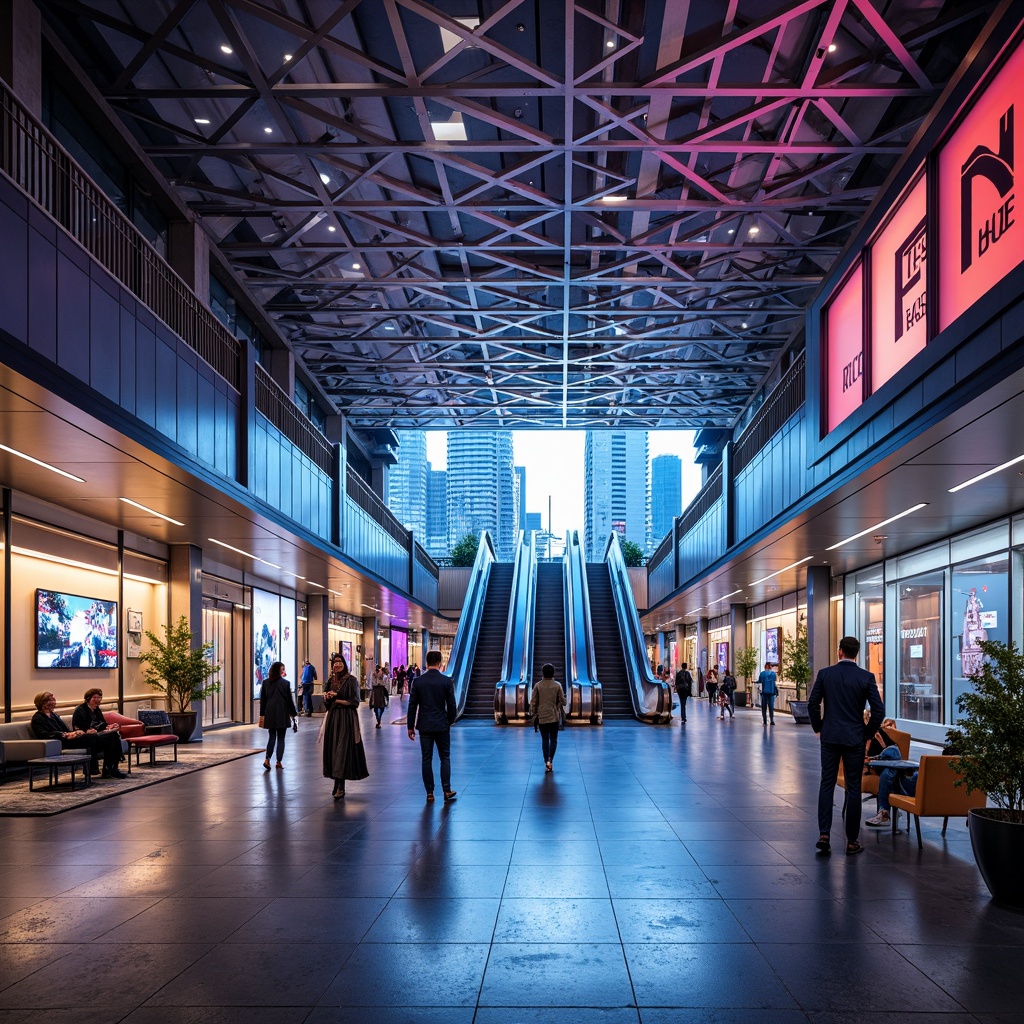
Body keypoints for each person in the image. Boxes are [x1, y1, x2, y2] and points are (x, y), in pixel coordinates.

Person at [808, 636, 884, 856]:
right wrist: (867, 734)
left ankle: (824, 834)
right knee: (853, 788)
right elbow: (878, 711)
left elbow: (813, 704)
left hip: (830, 737)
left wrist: (819, 727)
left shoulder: (825, 674)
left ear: (839, 651)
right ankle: (852, 841)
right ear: (856, 654)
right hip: (854, 739)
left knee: (827, 784)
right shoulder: (866, 677)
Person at [31, 691, 126, 779]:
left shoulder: (53, 715)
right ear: (42, 703)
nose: (53, 702)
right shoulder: (38, 718)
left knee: (112, 736)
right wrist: (65, 734)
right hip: (60, 742)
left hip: (70, 738)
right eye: (50, 700)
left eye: (53, 699)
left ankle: (111, 769)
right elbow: (43, 734)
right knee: (93, 738)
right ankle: (93, 769)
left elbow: (66, 729)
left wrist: (75, 733)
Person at [407, 649, 457, 802]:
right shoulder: (446, 681)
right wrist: (449, 721)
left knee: (426, 758)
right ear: (440, 663)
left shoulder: (418, 681)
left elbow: (412, 705)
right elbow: (452, 705)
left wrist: (410, 726)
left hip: (425, 726)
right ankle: (446, 789)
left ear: (427, 662)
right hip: (442, 725)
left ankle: (429, 792)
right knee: (445, 757)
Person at [322, 656, 368, 798]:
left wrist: (337, 697)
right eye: (335, 662)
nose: (338, 665)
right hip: (333, 719)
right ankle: (337, 783)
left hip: (346, 719)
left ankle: (340, 786)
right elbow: (328, 706)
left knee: (342, 750)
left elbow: (355, 701)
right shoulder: (330, 681)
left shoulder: (351, 680)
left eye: (340, 662)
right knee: (333, 750)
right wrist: (327, 698)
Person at [70, 687, 127, 778]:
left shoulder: (97, 709)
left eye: (99, 697)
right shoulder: (80, 710)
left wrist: (110, 726)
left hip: (98, 736)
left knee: (113, 736)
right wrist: (98, 728)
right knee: (112, 739)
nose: (97, 700)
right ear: (88, 698)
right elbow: (82, 727)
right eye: (95, 698)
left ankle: (111, 769)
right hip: (86, 738)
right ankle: (110, 769)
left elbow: (102, 723)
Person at [530, 663, 567, 772]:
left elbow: (533, 702)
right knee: (554, 739)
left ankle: (546, 761)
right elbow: (564, 702)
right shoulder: (557, 685)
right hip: (554, 717)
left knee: (545, 739)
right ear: (553, 673)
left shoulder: (538, 685)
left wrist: (534, 713)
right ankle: (550, 760)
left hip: (542, 717)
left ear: (543, 673)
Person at [260, 662, 297, 770]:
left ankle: (267, 759)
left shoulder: (266, 682)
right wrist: (294, 714)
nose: (283, 670)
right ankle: (278, 762)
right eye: (282, 668)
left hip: (270, 713)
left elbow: (263, 701)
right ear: (279, 670)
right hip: (282, 713)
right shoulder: (285, 683)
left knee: (271, 737)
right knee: (281, 738)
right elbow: (289, 701)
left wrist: (262, 715)